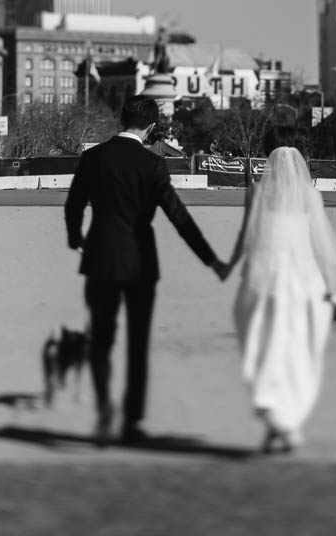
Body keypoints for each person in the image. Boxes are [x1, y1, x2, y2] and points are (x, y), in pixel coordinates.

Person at [65, 95, 226, 445]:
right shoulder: (153, 165)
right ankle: (131, 420)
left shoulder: (93, 158)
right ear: (152, 128)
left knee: (101, 341)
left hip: (101, 258)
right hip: (140, 263)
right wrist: (211, 260)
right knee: (137, 345)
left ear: (121, 120)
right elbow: (178, 217)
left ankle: (105, 409)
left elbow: (74, 203)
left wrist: (75, 237)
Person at [221, 113, 336, 454]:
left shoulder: (257, 191)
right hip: (304, 280)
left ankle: (276, 420)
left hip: (266, 276)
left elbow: (245, 238)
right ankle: (284, 421)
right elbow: (323, 246)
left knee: (263, 343)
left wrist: (227, 267)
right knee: (297, 350)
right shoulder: (310, 194)